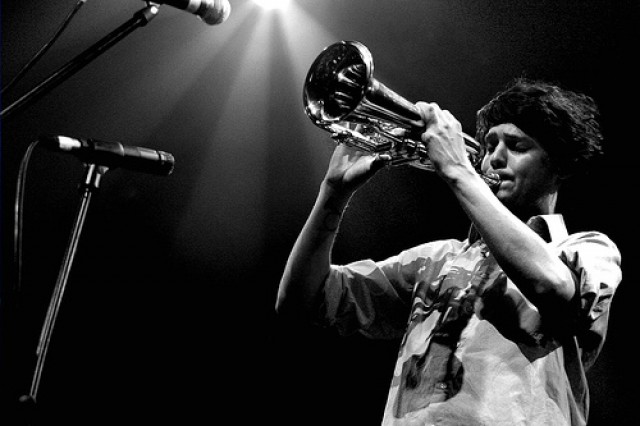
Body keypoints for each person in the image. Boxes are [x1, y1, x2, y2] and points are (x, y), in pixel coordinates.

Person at [275, 77, 622, 425]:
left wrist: (457, 169)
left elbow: (552, 286)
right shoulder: (436, 259)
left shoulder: (589, 249)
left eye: (516, 146)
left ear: (559, 165)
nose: (494, 158)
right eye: (489, 146)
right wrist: (333, 194)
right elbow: (302, 300)